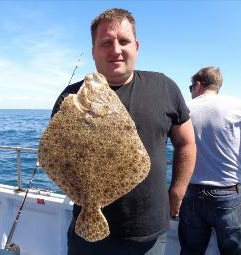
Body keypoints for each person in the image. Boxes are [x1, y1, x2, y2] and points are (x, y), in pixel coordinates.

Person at [51, 8, 196, 255]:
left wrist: (178, 191)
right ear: (94, 51)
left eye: (124, 41)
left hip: (148, 233)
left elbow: (186, 143)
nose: (116, 50)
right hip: (86, 230)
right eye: (106, 43)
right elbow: (55, 154)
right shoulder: (71, 96)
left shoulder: (164, 87)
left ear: (136, 46)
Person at [178, 66, 241, 255]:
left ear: (198, 85)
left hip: (190, 192)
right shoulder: (239, 106)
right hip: (227, 194)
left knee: (190, 251)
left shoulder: (184, 108)